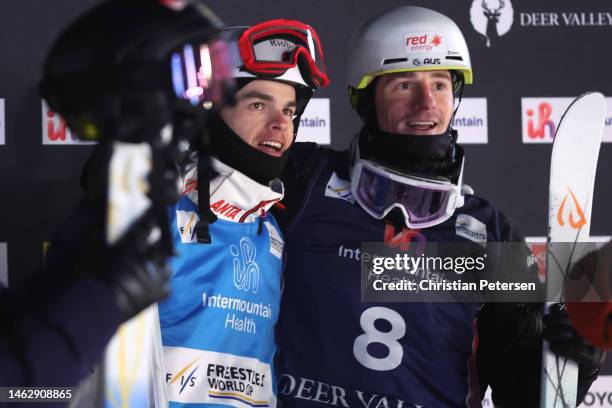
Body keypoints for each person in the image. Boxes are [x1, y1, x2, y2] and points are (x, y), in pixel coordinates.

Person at [274, 6, 602, 407]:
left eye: (440, 85)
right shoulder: (304, 178)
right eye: (404, 86)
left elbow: (520, 393)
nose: (426, 104)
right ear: (364, 99)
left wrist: (570, 361)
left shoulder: (488, 230)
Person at [0, 0, 234, 388]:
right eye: (189, 75)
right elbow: (20, 388)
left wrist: (85, 267)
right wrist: (105, 298)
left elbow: (15, 330)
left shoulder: (276, 224)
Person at [157, 19, 329, 407]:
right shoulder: (154, 212)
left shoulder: (274, 230)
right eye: (257, 104)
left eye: (290, 110)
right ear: (208, 109)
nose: (280, 124)